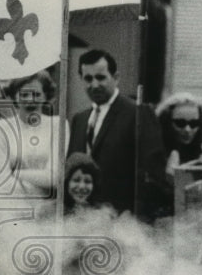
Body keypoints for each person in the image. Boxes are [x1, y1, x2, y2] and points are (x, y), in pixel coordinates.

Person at [67, 49, 166, 221]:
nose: (94, 84)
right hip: (82, 222)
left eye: (101, 77)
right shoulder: (79, 120)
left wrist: (136, 218)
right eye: (88, 78)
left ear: (116, 77)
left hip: (123, 223)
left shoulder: (138, 113)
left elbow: (153, 175)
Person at [0, 69, 62, 200]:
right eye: (24, 94)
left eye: (36, 94)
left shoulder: (58, 125)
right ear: (14, 96)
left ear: (46, 96)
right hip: (11, 205)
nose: (30, 100)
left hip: (48, 208)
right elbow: (1, 180)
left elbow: (54, 177)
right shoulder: (1, 128)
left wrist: (15, 173)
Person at [155, 92, 202, 176]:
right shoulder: (155, 153)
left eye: (194, 123)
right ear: (166, 122)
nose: (187, 130)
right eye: (180, 123)